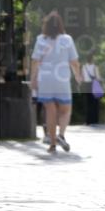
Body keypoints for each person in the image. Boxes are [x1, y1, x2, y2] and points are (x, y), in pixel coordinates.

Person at [30, 11, 80, 153]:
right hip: (62, 79)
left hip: (45, 80)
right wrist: (77, 75)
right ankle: (61, 135)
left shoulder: (40, 39)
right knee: (65, 110)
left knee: (50, 112)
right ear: (60, 25)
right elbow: (74, 62)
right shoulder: (67, 39)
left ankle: (52, 144)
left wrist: (33, 79)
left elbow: (35, 61)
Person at [81, 58, 102, 125]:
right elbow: (98, 77)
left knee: (88, 103)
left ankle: (88, 121)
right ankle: (95, 120)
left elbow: (82, 77)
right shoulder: (95, 66)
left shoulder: (84, 67)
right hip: (94, 85)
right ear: (92, 59)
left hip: (86, 85)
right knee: (95, 103)